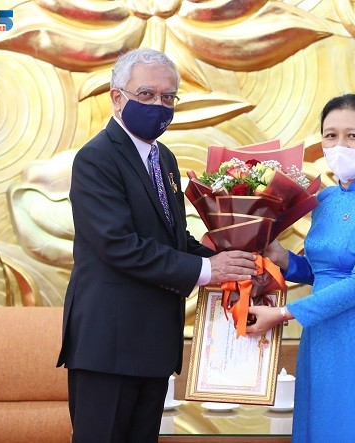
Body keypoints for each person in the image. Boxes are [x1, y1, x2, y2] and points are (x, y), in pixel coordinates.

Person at [56, 48, 257, 442]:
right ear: (117, 98)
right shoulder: (96, 159)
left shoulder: (163, 158)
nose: (158, 106)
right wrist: (208, 270)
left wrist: (231, 262)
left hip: (153, 344)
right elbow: (119, 245)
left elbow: (174, 239)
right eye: (146, 94)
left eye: (168, 97)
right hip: (109, 345)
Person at [246, 93, 355, 442]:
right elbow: (323, 272)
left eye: (353, 136)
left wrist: (283, 314)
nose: (340, 145)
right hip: (323, 339)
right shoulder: (325, 199)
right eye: (331, 135)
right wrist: (282, 258)